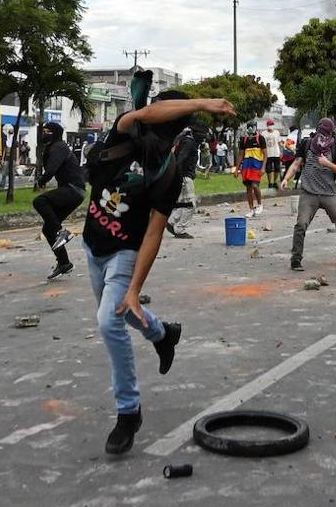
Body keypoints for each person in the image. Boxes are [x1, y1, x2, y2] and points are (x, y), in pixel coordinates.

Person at [82, 92, 235, 455]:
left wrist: (135, 287)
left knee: (109, 320)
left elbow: (153, 234)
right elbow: (149, 111)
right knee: (121, 312)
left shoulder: (168, 173)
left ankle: (128, 411)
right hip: (92, 244)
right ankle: (163, 334)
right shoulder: (125, 130)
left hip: (124, 253)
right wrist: (203, 103)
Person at [281, 118, 336, 271]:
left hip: (328, 193)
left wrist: (328, 164)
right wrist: (286, 179)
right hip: (309, 192)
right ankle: (296, 259)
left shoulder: (335, 148)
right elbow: (296, 164)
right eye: (321, 130)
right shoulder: (306, 144)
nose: (322, 135)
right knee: (301, 224)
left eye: (326, 132)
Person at [33, 121, 86, 280]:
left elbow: (51, 169)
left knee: (40, 202)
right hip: (73, 190)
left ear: (54, 133)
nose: (43, 133)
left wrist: (42, 180)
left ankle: (62, 232)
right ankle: (64, 263)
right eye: (42, 131)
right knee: (48, 229)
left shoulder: (59, 147)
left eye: (47, 131)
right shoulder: (53, 147)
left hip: (73, 189)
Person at [165, 125, 203, 240]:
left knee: (183, 202)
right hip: (185, 177)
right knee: (191, 205)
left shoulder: (185, 140)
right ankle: (180, 229)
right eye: (203, 135)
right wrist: (178, 177)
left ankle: (171, 223)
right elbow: (181, 159)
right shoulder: (189, 142)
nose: (204, 138)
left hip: (183, 176)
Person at [236, 122, 266, 217]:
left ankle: (260, 204)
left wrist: (263, 167)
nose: (250, 129)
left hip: (257, 166)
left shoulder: (260, 138)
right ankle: (251, 209)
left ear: (255, 128)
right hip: (246, 166)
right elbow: (240, 155)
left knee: (255, 185)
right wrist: (237, 169)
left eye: (251, 127)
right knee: (248, 188)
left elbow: (265, 154)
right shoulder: (243, 140)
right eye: (248, 127)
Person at [263, 120, 282, 187]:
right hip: (268, 154)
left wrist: (281, 152)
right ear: (267, 126)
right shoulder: (264, 133)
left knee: (277, 169)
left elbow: (279, 142)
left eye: (272, 124)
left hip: (276, 153)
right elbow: (263, 145)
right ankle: (270, 183)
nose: (270, 126)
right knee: (268, 169)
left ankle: (275, 182)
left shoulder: (277, 132)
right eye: (269, 125)